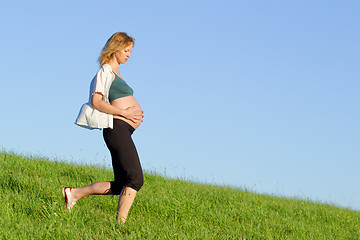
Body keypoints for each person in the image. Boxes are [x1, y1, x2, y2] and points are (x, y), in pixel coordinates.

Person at [63, 32, 144, 224]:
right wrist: (125, 113)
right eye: (126, 50)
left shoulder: (117, 74)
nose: (129, 55)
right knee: (135, 179)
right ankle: (120, 226)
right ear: (115, 48)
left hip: (123, 130)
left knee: (120, 185)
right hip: (116, 128)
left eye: (130, 51)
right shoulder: (104, 72)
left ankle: (73, 194)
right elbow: (96, 101)